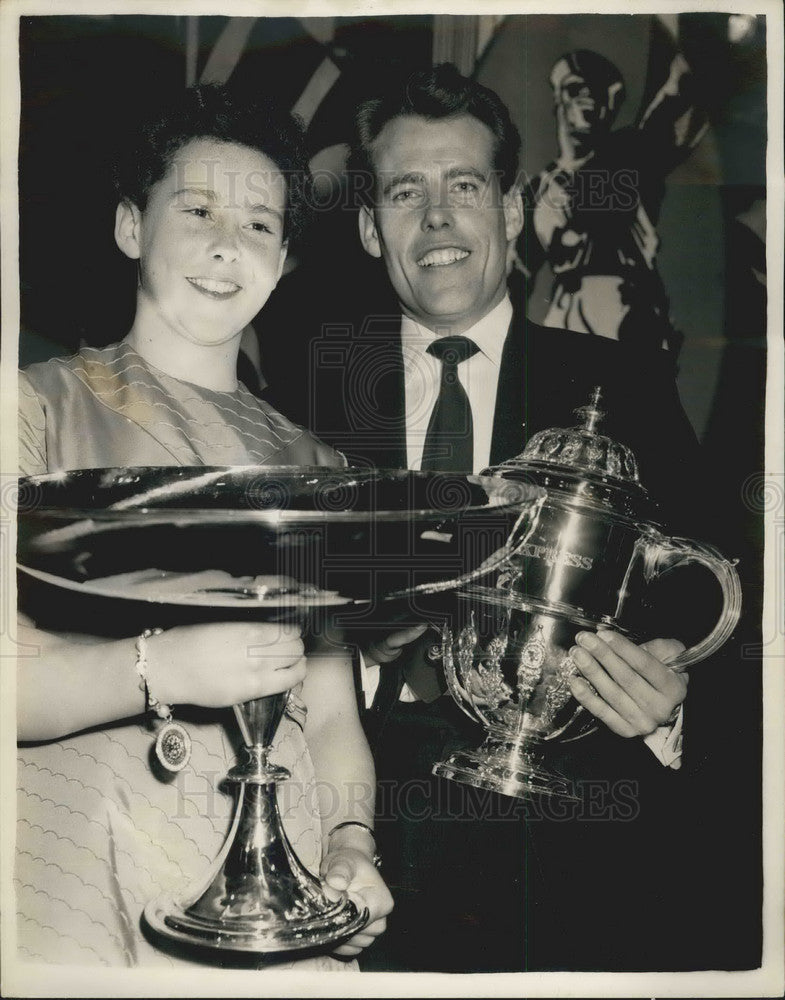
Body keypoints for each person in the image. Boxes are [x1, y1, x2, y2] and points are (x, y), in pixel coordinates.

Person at [256, 63, 730, 972]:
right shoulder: (302, 402)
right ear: (368, 228)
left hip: (574, 868)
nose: (437, 219)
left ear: (511, 210)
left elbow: (724, 598)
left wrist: (673, 705)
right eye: (405, 192)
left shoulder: (622, 387)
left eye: (464, 187)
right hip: (354, 851)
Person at [16, 83, 392, 970]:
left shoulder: (320, 468)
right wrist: (160, 668)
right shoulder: (34, 408)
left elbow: (332, 712)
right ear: (129, 226)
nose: (229, 243)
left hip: (283, 868)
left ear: (285, 259)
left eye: (262, 224)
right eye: (196, 209)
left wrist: (350, 844)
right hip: (85, 848)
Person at [520, 40, 708, 352]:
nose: (588, 97)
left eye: (599, 90)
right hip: (565, 319)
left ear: (611, 104)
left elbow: (671, 111)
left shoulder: (630, 156)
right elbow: (516, 275)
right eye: (576, 88)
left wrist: (684, 68)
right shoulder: (537, 189)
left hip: (626, 314)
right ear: (558, 99)